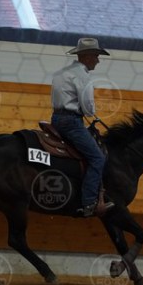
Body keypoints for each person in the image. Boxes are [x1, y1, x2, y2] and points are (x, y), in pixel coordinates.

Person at [51, 37, 115, 217]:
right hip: (72, 122)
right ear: (87, 56)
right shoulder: (83, 76)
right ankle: (88, 203)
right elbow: (88, 108)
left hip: (56, 118)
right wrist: (92, 112)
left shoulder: (61, 73)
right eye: (96, 56)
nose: (98, 60)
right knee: (98, 158)